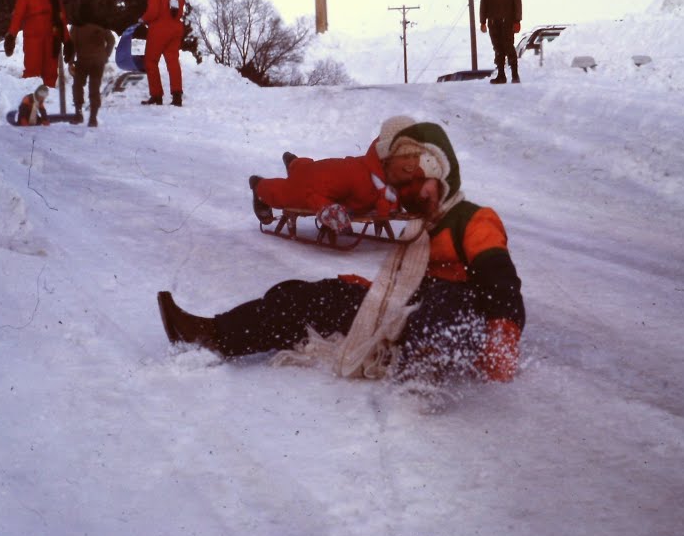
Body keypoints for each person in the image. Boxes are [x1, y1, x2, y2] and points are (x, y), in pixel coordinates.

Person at [160, 121, 525, 384]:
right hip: (407, 313)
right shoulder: (420, 227)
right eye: (404, 185)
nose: (413, 193)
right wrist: (370, 292)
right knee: (307, 295)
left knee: (449, 296)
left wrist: (503, 336)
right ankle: (214, 334)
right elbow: (404, 284)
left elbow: (501, 282)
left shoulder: (474, 220)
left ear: (443, 173)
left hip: (454, 320)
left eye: (419, 180)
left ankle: (425, 367)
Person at [249, 116, 424, 229]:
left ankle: (295, 163)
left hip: (327, 174)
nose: (412, 163)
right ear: (386, 158)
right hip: (318, 180)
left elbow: (418, 189)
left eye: (416, 155)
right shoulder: (355, 177)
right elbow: (313, 192)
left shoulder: (404, 174)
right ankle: (259, 186)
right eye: (405, 156)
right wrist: (327, 209)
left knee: (304, 169)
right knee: (290, 191)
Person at [4, 0, 74, 94]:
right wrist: (11, 35)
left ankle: (49, 99)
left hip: (52, 40)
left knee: (51, 73)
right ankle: (30, 100)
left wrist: (68, 41)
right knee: (32, 71)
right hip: (33, 40)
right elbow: (17, 17)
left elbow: (62, 22)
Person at [139, 0, 187, 107]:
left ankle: (156, 95)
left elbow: (153, 12)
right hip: (176, 28)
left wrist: (142, 19)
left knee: (151, 61)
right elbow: (181, 10)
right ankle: (177, 96)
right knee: (173, 61)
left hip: (159, 29)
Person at [67, 3, 116, 127]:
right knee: (94, 88)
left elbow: (71, 45)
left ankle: (78, 114)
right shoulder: (101, 24)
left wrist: (71, 62)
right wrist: (105, 55)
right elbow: (111, 40)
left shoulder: (76, 26)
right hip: (97, 62)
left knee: (77, 86)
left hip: (82, 62)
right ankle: (93, 118)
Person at [478, 0, 522, 84]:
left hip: (507, 22)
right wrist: (482, 22)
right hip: (493, 23)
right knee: (498, 49)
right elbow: (483, 5)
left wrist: (517, 20)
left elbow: (517, 2)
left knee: (508, 46)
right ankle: (501, 76)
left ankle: (515, 75)